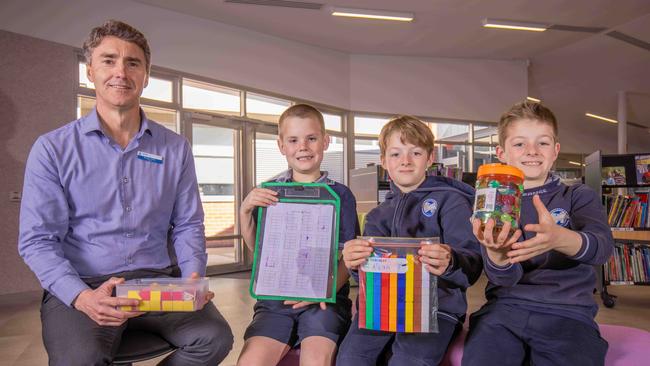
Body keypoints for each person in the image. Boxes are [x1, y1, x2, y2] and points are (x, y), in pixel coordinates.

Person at [18, 20, 233, 365]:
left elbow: (188, 223)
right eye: (109, 60)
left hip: (156, 282)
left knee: (214, 339)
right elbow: (37, 240)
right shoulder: (53, 148)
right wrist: (81, 297)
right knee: (80, 359)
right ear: (90, 70)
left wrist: (193, 275)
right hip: (85, 281)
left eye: (133, 63)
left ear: (146, 75)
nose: (121, 72)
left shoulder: (174, 148)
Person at [463, 101, 614, 366]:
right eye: (520, 144)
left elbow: (602, 249)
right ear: (502, 152)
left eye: (542, 143)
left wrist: (560, 238)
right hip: (504, 311)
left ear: (555, 150)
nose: (532, 151)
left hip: (569, 313)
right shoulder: (493, 206)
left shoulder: (577, 196)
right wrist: (497, 255)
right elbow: (504, 279)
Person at [337, 116, 482, 366]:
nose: (405, 161)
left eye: (415, 152)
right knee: (350, 359)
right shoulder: (376, 215)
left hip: (436, 310)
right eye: (395, 154)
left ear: (430, 157)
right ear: (384, 161)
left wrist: (450, 260)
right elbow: (367, 274)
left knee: (409, 360)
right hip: (380, 308)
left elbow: (472, 265)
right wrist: (354, 262)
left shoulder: (452, 202)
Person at [237, 104, 359, 366]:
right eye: (293, 140)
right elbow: (259, 251)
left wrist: (324, 291)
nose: (302, 147)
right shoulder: (268, 192)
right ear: (282, 146)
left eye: (311, 138)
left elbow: (349, 259)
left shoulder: (341, 195)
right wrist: (245, 210)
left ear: (325, 142)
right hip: (275, 302)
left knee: (316, 360)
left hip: (325, 301)